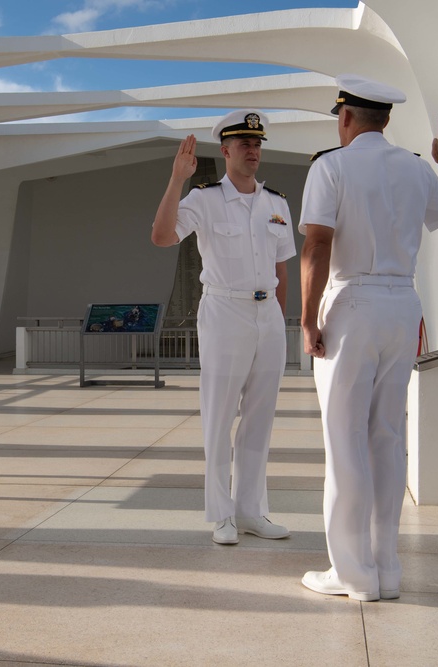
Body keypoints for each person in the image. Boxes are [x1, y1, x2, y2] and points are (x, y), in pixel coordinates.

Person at [298, 75, 438, 600]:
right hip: (403, 306)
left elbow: (318, 246)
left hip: (353, 304)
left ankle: (351, 574)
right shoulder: (418, 169)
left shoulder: (331, 166)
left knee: (344, 439)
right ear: (387, 119)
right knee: (387, 439)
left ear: (345, 117)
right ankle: (386, 567)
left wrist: (307, 318)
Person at [152, 109, 296, 545]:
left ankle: (251, 510)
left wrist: (278, 323)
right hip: (224, 311)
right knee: (219, 416)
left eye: (258, 144)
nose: (253, 150)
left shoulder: (277, 204)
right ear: (227, 150)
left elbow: (282, 270)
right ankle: (221, 516)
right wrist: (177, 179)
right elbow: (161, 237)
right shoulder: (204, 198)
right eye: (245, 144)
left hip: (267, 314)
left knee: (259, 418)